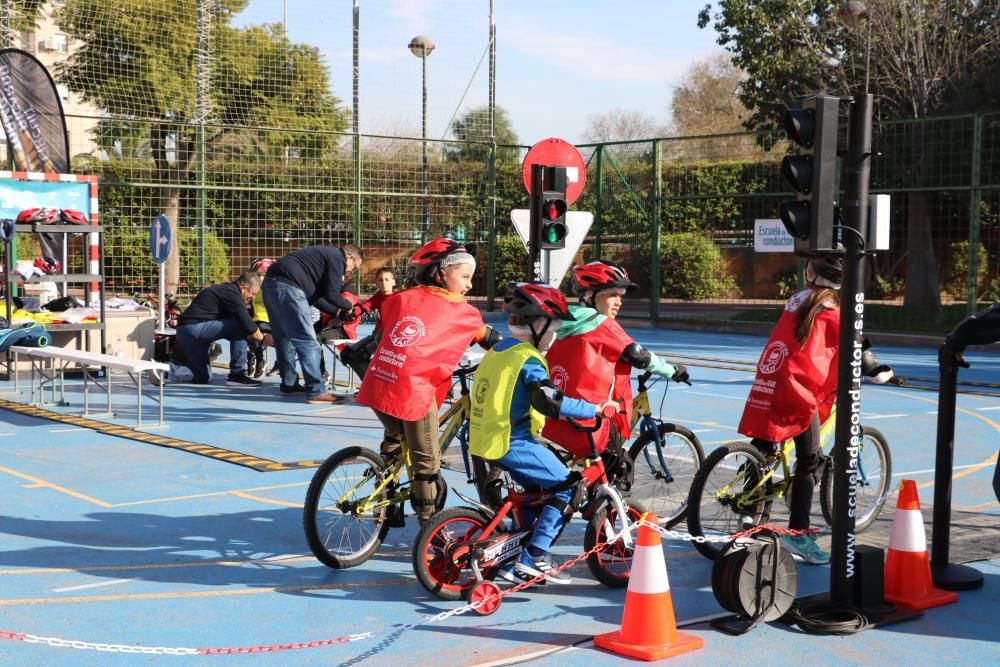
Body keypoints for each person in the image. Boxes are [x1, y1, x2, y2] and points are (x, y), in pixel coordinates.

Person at [469, 282, 619, 585]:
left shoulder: (499, 350)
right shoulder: (529, 358)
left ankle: (514, 555)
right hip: (511, 441)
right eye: (553, 328)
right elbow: (548, 399)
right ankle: (534, 555)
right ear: (538, 325)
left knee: (536, 495)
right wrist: (595, 408)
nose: (554, 336)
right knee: (568, 487)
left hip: (484, 439)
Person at [355, 238, 499, 523]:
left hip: (379, 383)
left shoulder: (399, 299)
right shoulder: (463, 312)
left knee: (394, 442)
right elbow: (490, 338)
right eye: (465, 276)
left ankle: (383, 507)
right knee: (426, 462)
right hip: (414, 392)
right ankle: (430, 529)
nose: (469, 285)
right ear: (441, 273)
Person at [737, 255, 844, 565]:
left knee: (765, 445)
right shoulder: (835, 311)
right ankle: (799, 533)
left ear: (811, 274)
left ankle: (747, 515)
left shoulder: (797, 300)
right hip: (798, 388)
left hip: (771, 376)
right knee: (810, 460)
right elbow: (857, 348)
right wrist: (877, 369)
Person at [543, 260, 688, 459]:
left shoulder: (564, 321)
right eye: (613, 295)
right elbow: (638, 355)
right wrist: (672, 371)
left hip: (559, 416)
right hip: (593, 419)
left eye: (621, 296)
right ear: (590, 295)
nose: (619, 302)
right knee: (616, 470)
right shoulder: (602, 325)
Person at [262, 243, 364, 404]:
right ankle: (317, 391)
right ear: (349, 257)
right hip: (290, 288)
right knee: (308, 342)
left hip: (271, 287)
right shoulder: (337, 257)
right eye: (355, 267)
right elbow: (332, 293)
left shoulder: (317, 261)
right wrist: (348, 306)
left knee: (284, 340)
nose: (351, 271)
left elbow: (317, 298)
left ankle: (288, 384)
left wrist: (337, 312)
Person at [173, 271, 266, 386]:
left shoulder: (224, 290)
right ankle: (237, 375)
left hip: (185, 332)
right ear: (244, 288)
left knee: (203, 377)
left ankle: (165, 371)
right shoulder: (232, 294)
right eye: (252, 293)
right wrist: (263, 339)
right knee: (239, 326)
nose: (252, 297)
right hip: (195, 329)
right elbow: (245, 322)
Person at [246, 258, 275, 379]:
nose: (259, 278)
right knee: (242, 332)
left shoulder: (274, 289)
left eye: (262, 275)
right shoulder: (253, 288)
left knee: (256, 333)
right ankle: (253, 358)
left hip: (270, 322)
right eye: (257, 275)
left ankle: (260, 360)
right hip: (256, 320)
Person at [360, 266, 396, 331]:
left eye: (387, 279)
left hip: (394, 330)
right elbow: (365, 305)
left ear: (393, 282)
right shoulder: (377, 297)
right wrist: (354, 310)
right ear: (376, 283)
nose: (384, 283)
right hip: (379, 330)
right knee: (362, 342)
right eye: (380, 280)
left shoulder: (399, 297)